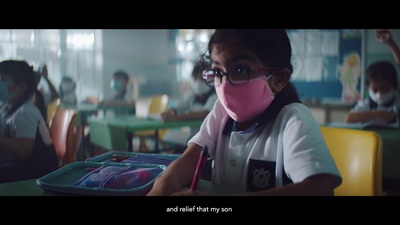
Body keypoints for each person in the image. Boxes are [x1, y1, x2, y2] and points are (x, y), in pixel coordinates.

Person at [146, 29, 342, 196]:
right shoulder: (221, 113)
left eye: (240, 69)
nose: (223, 84)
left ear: (279, 79)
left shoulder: (293, 119)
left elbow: (321, 188)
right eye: (217, 71)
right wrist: (167, 180)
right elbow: (191, 158)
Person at [0, 60, 58, 183]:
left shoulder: (25, 112)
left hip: (38, 173)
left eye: (3, 81)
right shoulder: (5, 109)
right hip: (20, 165)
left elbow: (24, 150)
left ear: (21, 87)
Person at [160, 60, 218, 151]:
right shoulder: (192, 98)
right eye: (196, 79)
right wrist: (171, 112)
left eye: (202, 80)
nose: (198, 83)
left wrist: (176, 118)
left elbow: (204, 113)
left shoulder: (215, 97)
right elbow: (177, 107)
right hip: (194, 138)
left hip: (210, 141)